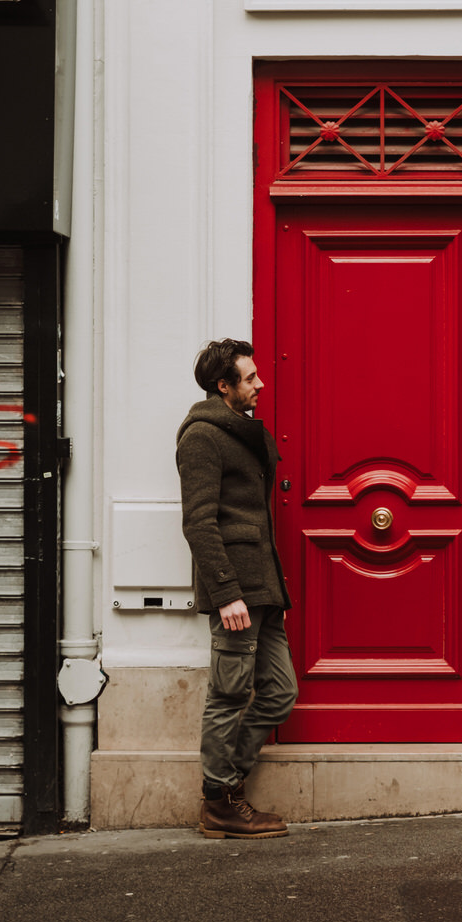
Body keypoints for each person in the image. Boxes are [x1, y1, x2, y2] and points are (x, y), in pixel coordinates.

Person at [176, 338, 297, 838]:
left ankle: (228, 782)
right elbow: (199, 523)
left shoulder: (242, 432)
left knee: (280, 693)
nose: (260, 383)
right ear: (223, 386)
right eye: (250, 378)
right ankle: (219, 801)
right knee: (228, 694)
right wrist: (226, 594)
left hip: (263, 587)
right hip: (236, 594)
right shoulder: (203, 437)